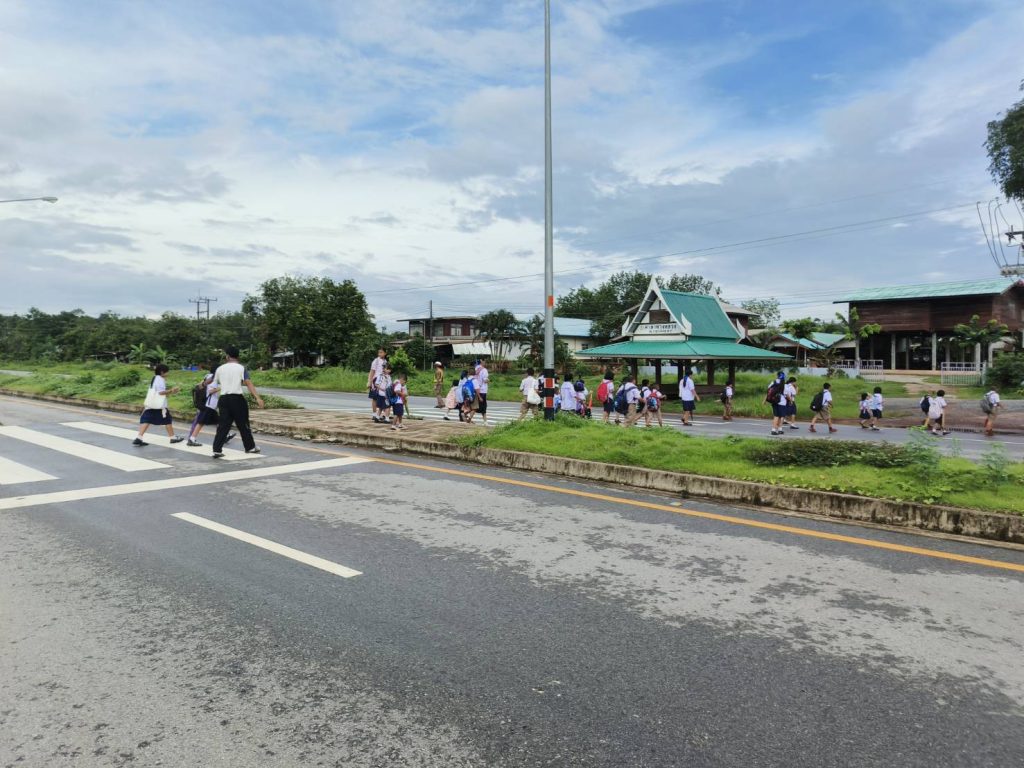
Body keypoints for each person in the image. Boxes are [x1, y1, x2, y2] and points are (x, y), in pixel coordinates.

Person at [209, 346, 265, 458]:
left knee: (223, 425)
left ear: (227, 356)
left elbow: (212, 383)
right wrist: (257, 398)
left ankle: (217, 449)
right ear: (238, 356)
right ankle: (250, 447)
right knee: (243, 424)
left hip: (223, 399)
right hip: (237, 399)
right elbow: (248, 383)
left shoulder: (220, 369)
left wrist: (202, 385)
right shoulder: (241, 368)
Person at [133, 363, 185, 446]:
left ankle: (139, 438)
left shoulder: (155, 378)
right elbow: (160, 392)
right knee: (167, 420)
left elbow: (157, 392)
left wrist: (170, 392)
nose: (168, 373)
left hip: (151, 404)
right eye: (167, 372)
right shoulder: (160, 379)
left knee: (147, 420)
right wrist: (172, 390)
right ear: (162, 372)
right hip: (159, 405)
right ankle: (173, 438)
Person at [186, 362, 235, 447]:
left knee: (219, 422)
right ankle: (192, 439)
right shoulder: (213, 379)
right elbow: (211, 391)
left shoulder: (207, 376)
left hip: (210, 405)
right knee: (201, 422)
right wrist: (221, 387)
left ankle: (225, 436)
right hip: (209, 405)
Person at [367, 348, 387, 421]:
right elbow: (372, 372)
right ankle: (374, 414)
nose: (379, 354)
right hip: (375, 381)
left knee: (383, 397)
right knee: (374, 398)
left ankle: (384, 414)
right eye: (379, 352)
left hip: (383, 381)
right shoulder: (376, 361)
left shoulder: (386, 361)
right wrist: (369, 382)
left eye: (381, 352)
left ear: (385, 353)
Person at [474, 359, 490, 425]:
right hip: (482, 390)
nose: (485, 362)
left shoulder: (475, 369)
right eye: (484, 361)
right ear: (482, 362)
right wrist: (489, 380)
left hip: (475, 389)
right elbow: (485, 380)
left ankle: (468, 418)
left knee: (475, 405)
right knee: (483, 406)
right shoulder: (484, 370)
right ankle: (485, 421)